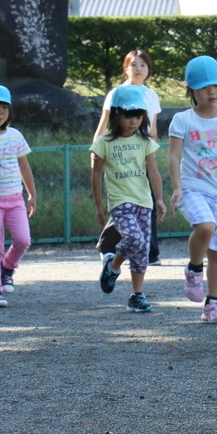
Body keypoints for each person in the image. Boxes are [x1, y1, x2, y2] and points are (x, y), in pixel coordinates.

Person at [168, 56, 217, 323]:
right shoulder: (182, 119)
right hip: (191, 189)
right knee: (205, 226)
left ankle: (213, 304)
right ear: (191, 90)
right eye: (203, 87)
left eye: (216, 86)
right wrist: (177, 188)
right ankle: (194, 268)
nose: (211, 92)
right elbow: (174, 156)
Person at [92, 85, 167, 312]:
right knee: (134, 239)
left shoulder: (145, 141)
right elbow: (95, 174)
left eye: (138, 115)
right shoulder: (104, 142)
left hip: (144, 201)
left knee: (142, 250)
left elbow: (153, 172)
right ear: (116, 114)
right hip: (120, 200)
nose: (133, 120)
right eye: (128, 115)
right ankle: (113, 267)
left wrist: (160, 199)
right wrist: (98, 205)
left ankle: (136, 295)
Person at [94, 50, 162, 265]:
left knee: (146, 202)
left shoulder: (151, 95)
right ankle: (108, 246)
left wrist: (150, 151)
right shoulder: (116, 93)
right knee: (123, 204)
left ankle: (150, 252)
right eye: (134, 64)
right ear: (125, 68)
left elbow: (153, 127)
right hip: (117, 153)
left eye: (143, 65)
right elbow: (104, 124)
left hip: (141, 151)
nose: (139, 69)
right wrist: (96, 151)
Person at [0, 84, 35, 309]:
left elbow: (25, 166)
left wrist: (32, 194)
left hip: (15, 199)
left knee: (23, 240)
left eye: (4, 107)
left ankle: (8, 267)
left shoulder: (15, 135)